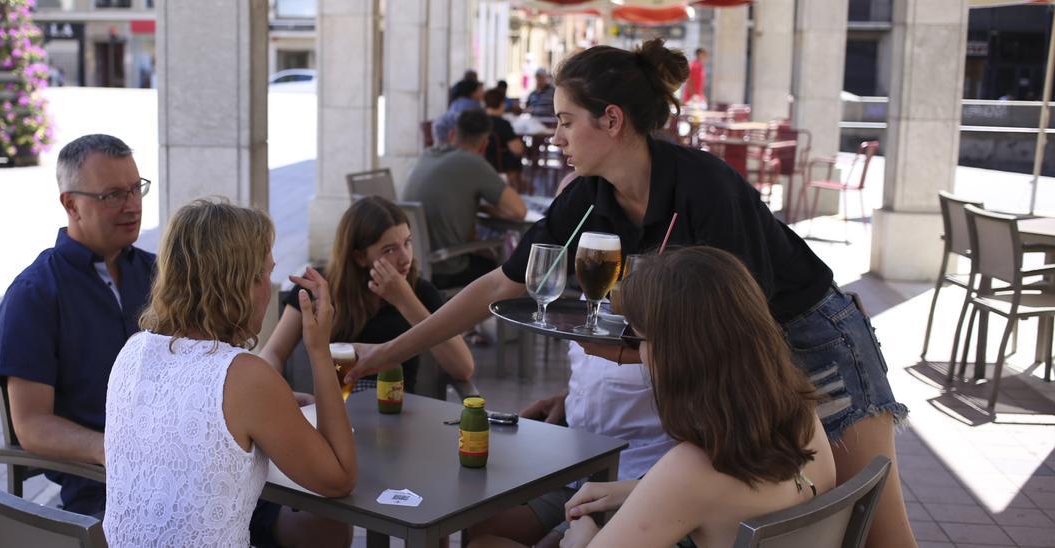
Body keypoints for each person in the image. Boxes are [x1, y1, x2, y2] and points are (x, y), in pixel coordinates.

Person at [350, 39, 916, 548]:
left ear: (612, 120)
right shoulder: (592, 197)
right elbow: (500, 284)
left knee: (880, 537)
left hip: (815, 346)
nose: (557, 136)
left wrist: (622, 354)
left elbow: (734, 332)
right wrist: (389, 353)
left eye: (567, 121)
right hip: (749, 366)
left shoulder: (705, 190)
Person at [472, 248, 837, 548]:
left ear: (677, 356)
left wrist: (583, 536)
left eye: (639, 339)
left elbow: (690, 491)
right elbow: (716, 500)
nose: (639, 354)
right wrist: (639, 490)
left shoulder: (693, 469)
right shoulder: (801, 416)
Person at [103, 199, 357, 547]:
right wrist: (318, 349)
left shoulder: (133, 350)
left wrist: (275, 403)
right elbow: (340, 478)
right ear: (240, 284)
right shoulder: (245, 377)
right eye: (266, 274)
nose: (269, 288)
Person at [0, 134, 155, 517]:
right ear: (71, 204)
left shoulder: (158, 274)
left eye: (136, 189)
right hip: (104, 489)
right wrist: (109, 449)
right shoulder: (35, 293)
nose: (132, 206)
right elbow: (31, 425)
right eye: (112, 195)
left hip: (189, 464)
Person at [263, 196, 473, 393]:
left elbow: (463, 368)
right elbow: (273, 353)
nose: (405, 258)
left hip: (397, 411)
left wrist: (405, 300)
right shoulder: (320, 287)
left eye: (407, 243)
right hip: (336, 409)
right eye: (389, 250)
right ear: (360, 257)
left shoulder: (420, 291)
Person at [402, 109, 526, 289]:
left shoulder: (427, 155)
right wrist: (485, 208)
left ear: (453, 134)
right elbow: (519, 211)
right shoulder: (473, 162)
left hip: (413, 266)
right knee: (500, 268)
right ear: (485, 145)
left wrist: (477, 208)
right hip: (445, 268)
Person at [482, 88, 524, 181]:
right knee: (516, 158)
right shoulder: (502, 124)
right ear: (502, 104)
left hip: (479, 163)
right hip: (499, 166)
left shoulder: (477, 121)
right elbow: (517, 149)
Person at [434, 79, 486, 144]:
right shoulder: (474, 106)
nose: (484, 92)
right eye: (480, 90)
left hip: (444, 140)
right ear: (471, 92)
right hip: (463, 142)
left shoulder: (455, 103)